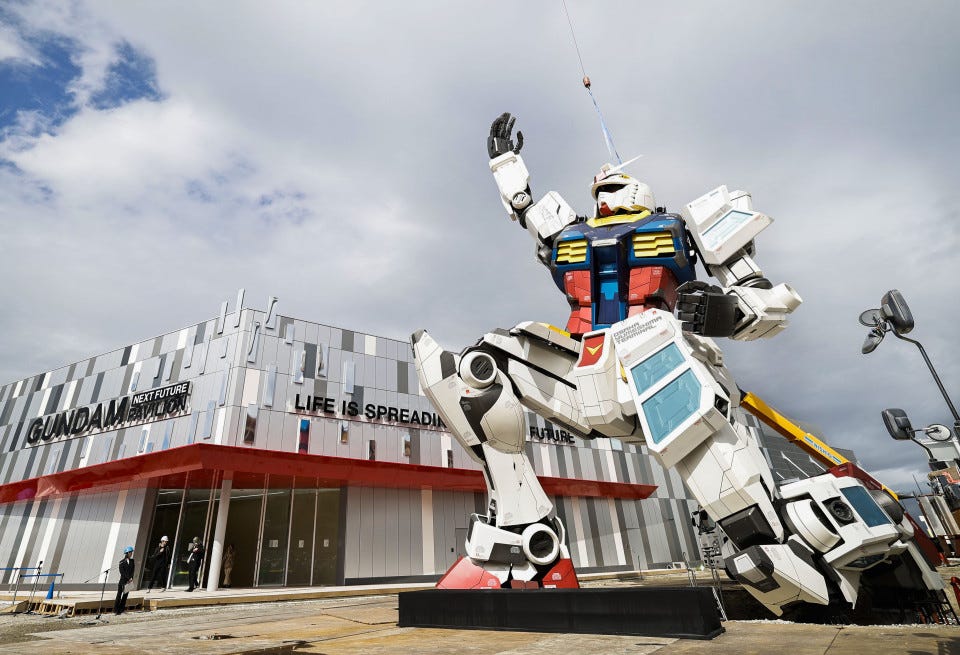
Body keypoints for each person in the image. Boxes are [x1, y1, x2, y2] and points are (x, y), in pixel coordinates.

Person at [113, 545, 135, 615]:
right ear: (127, 553)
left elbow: (132, 571)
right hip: (123, 581)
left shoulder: (132, 561)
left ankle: (121, 609)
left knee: (125, 596)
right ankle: (116, 610)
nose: (131, 554)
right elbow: (122, 572)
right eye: (130, 552)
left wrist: (131, 578)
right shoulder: (121, 562)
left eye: (131, 552)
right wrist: (128, 578)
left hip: (129, 581)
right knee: (119, 595)